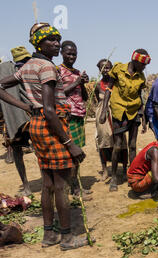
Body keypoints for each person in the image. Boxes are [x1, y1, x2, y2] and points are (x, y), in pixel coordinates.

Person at [0, 23, 91, 250]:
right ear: (38, 43)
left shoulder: (28, 65)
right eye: (51, 40)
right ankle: (68, 238)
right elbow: (50, 110)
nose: (57, 44)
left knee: (48, 183)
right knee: (61, 185)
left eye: (58, 39)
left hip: (37, 125)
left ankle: (49, 235)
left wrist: (26, 106)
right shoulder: (47, 68)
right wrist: (70, 144)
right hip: (53, 124)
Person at [99, 49, 149, 191]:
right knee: (118, 145)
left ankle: (132, 175)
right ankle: (114, 176)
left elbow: (140, 97)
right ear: (135, 61)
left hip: (134, 112)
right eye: (143, 65)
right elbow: (108, 90)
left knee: (133, 146)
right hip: (119, 111)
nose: (144, 68)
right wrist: (104, 111)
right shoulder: (118, 69)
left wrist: (143, 118)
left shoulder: (141, 76)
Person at [58, 41, 91, 200]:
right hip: (67, 116)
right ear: (61, 53)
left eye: (74, 54)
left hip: (79, 115)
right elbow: (58, 93)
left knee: (77, 153)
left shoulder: (77, 72)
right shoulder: (58, 71)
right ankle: (75, 189)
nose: (72, 57)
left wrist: (83, 84)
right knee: (72, 154)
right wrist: (76, 82)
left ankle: (76, 186)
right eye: (68, 53)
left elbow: (83, 96)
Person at [0, 46, 32, 195]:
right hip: (17, 116)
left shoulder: (28, 70)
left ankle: (29, 186)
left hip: (28, 115)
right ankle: (26, 186)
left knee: (37, 149)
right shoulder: (8, 71)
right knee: (18, 150)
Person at [94, 59, 128, 181]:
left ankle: (124, 169)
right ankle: (105, 170)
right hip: (102, 116)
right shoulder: (98, 85)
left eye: (108, 68)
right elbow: (98, 101)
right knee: (103, 141)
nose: (105, 71)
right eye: (103, 68)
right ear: (99, 70)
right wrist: (101, 113)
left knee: (122, 141)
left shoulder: (117, 83)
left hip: (116, 114)